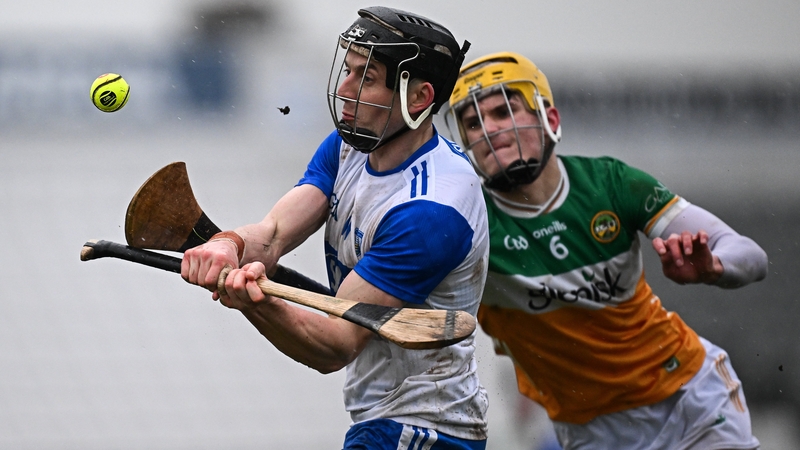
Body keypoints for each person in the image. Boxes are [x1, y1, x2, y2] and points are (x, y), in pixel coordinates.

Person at [181, 6, 490, 450]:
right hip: (383, 420)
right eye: (347, 70)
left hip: (424, 428)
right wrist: (228, 245)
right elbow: (271, 235)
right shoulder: (351, 147)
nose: (345, 89)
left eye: (366, 77)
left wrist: (251, 300)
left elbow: (335, 343)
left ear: (419, 98)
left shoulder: (430, 210)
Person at [445, 51, 768, 449]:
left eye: (503, 111)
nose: (489, 130)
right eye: (474, 122)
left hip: (688, 399)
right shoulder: (466, 224)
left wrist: (716, 268)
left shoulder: (611, 183)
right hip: (590, 432)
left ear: (551, 119)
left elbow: (750, 254)